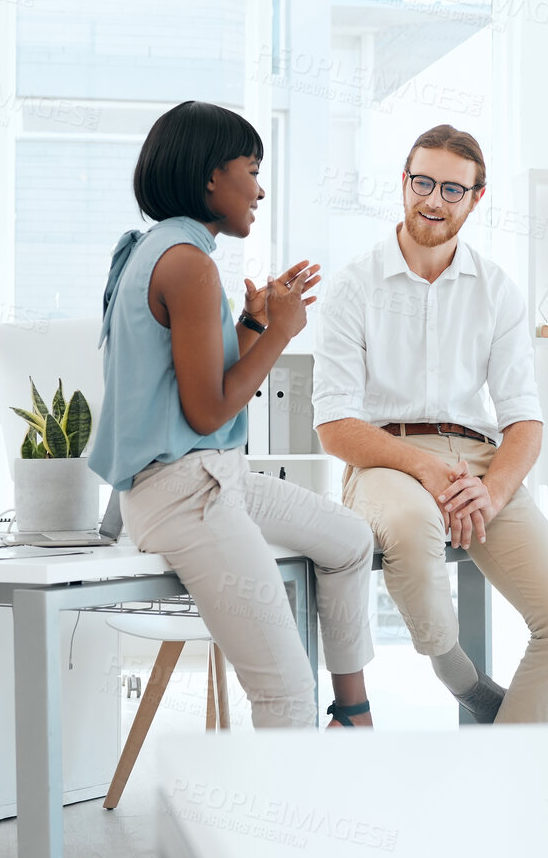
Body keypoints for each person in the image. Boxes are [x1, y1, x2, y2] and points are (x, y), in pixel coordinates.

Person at [88, 100, 378, 728]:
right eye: (251, 168)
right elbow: (205, 410)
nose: (260, 187)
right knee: (284, 693)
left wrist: (255, 321)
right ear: (210, 177)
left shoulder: (164, 249)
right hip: (186, 493)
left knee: (352, 540)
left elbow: (204, 382)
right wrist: (282, 334)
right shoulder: (187, 265)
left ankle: (353, 712)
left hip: (213, 478)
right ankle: (288, 824)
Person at [313, 125, 548, 724]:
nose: (433, 201)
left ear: (476, 198)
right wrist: (428, 469)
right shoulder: (352, 286)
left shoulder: (496, 289)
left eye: (451, 189)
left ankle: (508, 762)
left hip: (479, 466)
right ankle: (458, 675)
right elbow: (335, 425)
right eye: (422, 182)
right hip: (385, 457)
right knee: (414, 527)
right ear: (404, 183)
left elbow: (524, 420)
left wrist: (489, 494)